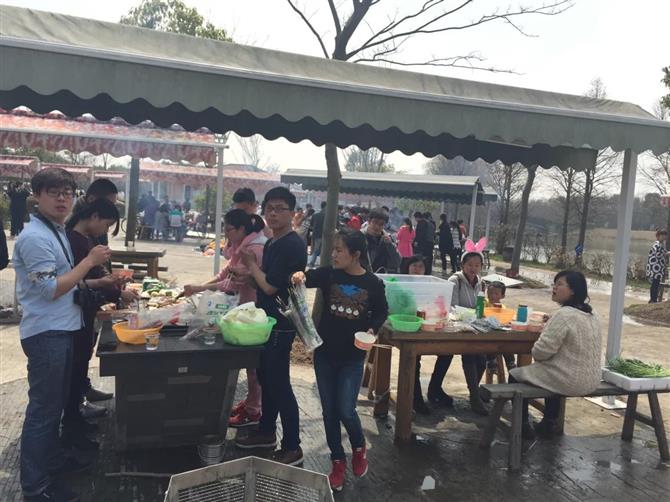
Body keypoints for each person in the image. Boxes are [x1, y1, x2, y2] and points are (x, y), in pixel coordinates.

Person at [13, 167, 111, 502]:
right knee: (43, 413)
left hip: (62, 328)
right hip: (47, 333)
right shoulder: (35, 238)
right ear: (36, 196)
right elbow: (50, 289)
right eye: (53, 192)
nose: (62, 199)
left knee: (53, 408)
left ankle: (52, 461)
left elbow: (68, 283)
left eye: (67, 193)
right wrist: (90, 261)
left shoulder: (53, 231)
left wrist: (96, 282)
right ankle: (35, 487)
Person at [292, 228, 388, 491]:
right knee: (329, 412)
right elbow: (307, 277)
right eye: (333, 249)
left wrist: (372, 329)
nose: (333, 254)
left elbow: (382, 311)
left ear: (355, 254)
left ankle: (358, 447)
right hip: (325, 354)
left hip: (352, 357)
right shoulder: (329, 274)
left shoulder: (373, 283)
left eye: (339, 250)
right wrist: (300, 275)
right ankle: (337, 461)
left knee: (346, 409)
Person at [235, 187, 308, 466]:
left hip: (281, 324)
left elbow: (270, 286)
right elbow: (264, 283)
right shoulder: (272, 243)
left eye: (280, 209)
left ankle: (292, 446)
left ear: (292, 213)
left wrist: (251, 265)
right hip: (267, 320)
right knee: (266, 379)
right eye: (269, 209)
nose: (273, 214)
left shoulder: (291, 244)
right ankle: (266, 432)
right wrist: (247, 277)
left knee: (279, 384)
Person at [63, 198, 138, 451]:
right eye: (106, 224)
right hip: (75, 313)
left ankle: (77, 421)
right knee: (74, 370)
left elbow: (92, 277)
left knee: (80, 364)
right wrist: (111, 287)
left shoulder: (85, 239)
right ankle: (72, 430)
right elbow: (77, 281)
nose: (105, 230)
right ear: (94, 216)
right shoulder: (74, 240)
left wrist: (111, 282)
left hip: (84, 312)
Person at [184, 209, 267, 427]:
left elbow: (231, 283)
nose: (226, 234)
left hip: (253, 313)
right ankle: (251, 403)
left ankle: (254, 410)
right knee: (248, 363)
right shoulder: (241, 248)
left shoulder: (254, 250)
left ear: (241, 229)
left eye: (229, 229)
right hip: (242, 309)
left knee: (253, 365)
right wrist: (199, 286)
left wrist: (199, 288)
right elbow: (225, 274)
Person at [509, 271, 601, 439]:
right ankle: (549, 422)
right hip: (592, 379)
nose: (554, 288)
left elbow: (540, 353)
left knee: (515, 375)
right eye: (554, 284)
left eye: (560, 284)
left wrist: (549, 327)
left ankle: (522, 427)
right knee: (551, 371)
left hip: (572, 381)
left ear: (573, 290)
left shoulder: (564, 315)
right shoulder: (593, 315)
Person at [427, 249, 489, 415]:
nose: (473, 268)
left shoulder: (481, 282)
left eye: (477, 265)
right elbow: (452, 306)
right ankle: (474, 397)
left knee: (482, 359)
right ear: (462, 265)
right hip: (455, 326)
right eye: (470, 265)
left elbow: (480, 305)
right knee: (463, 355)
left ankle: (474, 391)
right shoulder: (455, 280)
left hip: (472, 327)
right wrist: (470, 314)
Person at [400, 255, 433, 415]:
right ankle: (415, 399)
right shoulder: (400, 284)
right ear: (407, 267)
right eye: (414, 265)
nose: (417, 269)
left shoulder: (429, 285)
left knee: (447, 354)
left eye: (421, 266)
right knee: (414, 358)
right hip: (404, 326)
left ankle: (435, 389)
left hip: (425, 325)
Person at [484, 281, 516, 373]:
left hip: (499, 335)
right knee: (491, 342)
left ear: (502, 296)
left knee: (507, 344)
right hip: (487, 335)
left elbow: (505, 320)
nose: (492, 296)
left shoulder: (503, 307)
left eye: (496, 294)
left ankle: (511, 363)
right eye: (490, 293)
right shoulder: (484, 302)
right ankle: (491, 362)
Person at [365, 209, 401, 273]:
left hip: (381, 275)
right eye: (375, 222)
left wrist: (390, 245)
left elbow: (397, 262)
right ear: (369, 221)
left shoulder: (388, 239)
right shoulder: (360, 237)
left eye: (381, 224)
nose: (377, 226)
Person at [646, 229, 669, 303]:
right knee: (655, 284)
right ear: (658, 236)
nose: (664, 237)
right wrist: (666, 254)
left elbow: (664, 253)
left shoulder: (661, 245)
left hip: (658, 268)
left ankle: (653, 299)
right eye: (662, 235)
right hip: (655, 268)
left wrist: (667, 253)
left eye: (665, 235)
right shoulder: (657, 244)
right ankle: (653, 299)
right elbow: (658, 254)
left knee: (656, 283)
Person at [308, 201, 326, 268]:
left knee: (316, 250)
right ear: (325, 207)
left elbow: (311, 226)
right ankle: (323, 264)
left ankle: (312, 263)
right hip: (325, 236)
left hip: (316, 235)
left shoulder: (315, 215)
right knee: (324, 250)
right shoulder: (328, 216)